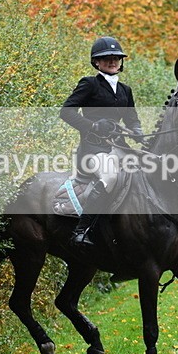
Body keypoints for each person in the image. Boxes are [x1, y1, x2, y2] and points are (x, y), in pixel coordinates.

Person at [60, 36, 143, 248]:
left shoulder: (125, 90)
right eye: (106, 58)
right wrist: (93, 126)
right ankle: (82, 230)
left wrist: (137, 131)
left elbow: (132, 118)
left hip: (120, 148)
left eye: (116, 58)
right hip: (93, 149)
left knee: (147, 173)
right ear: (97, 62)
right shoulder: (89, 84)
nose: (113, 61)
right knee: (110, 176)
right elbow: (66, 111)